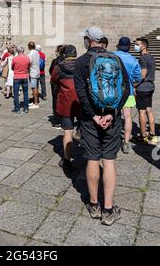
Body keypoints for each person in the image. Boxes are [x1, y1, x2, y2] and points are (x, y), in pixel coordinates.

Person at [74, 27, 130, 226]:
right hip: (112, 118)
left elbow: (81, 94)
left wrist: (95, 117)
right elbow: (126, 89)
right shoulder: (115, 59)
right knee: (109, 160)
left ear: (89, 40)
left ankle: (94, 205)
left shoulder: (81, 62)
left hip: (90, 120)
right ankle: (108, 209)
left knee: (91, 158)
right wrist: (111, 113)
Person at [51, 45, 81, 173]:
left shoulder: (59, 67)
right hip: (81, 101)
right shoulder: (82, 65)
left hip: (66, 102)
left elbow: (53, 80)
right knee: (85, 128)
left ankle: (67, 160)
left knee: (68, 132)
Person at [115, 37, 142, 153]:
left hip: (112, 92)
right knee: (127, 117)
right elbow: (138, 78)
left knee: (112, 115)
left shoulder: (112, 55)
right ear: (129, 47)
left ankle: (110, 139)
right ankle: (126, 142)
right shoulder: (133, 60)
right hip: (128, 91)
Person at [134, 37, 156, 142]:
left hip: (143, 88)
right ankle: (152, 133)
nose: (135, 46)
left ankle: (143, 136)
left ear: (144, 46)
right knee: (149, 110)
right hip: (151, 86)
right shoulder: (151, 57)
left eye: (138, 44)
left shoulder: (142, 59)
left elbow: (142, 76)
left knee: (141, 112)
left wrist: (134, 86)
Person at [49, 45, 66, 127]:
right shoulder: (67, 60)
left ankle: (57, 120)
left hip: (56, 84)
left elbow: (51, 71)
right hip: (65, 84)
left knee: (56, 101)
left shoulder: (55, 61)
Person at [12, 46, 31, 114]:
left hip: (17, 77)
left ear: (18, 51)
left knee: (16, 93)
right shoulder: (27, 58)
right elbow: (29, 67)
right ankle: (26, 108)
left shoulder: (15, 58)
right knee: (25, 92)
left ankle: (17, 108)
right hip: (25, 76)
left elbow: (12, 67)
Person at [28, 41, 40, 109]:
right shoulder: (37, 52)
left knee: (34, 88)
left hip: (33, 73)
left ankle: (36, 103)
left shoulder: (30, 54)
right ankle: (35, 100)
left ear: (29, 47)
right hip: (37, 72)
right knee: (36, 87)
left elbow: (29, 63)